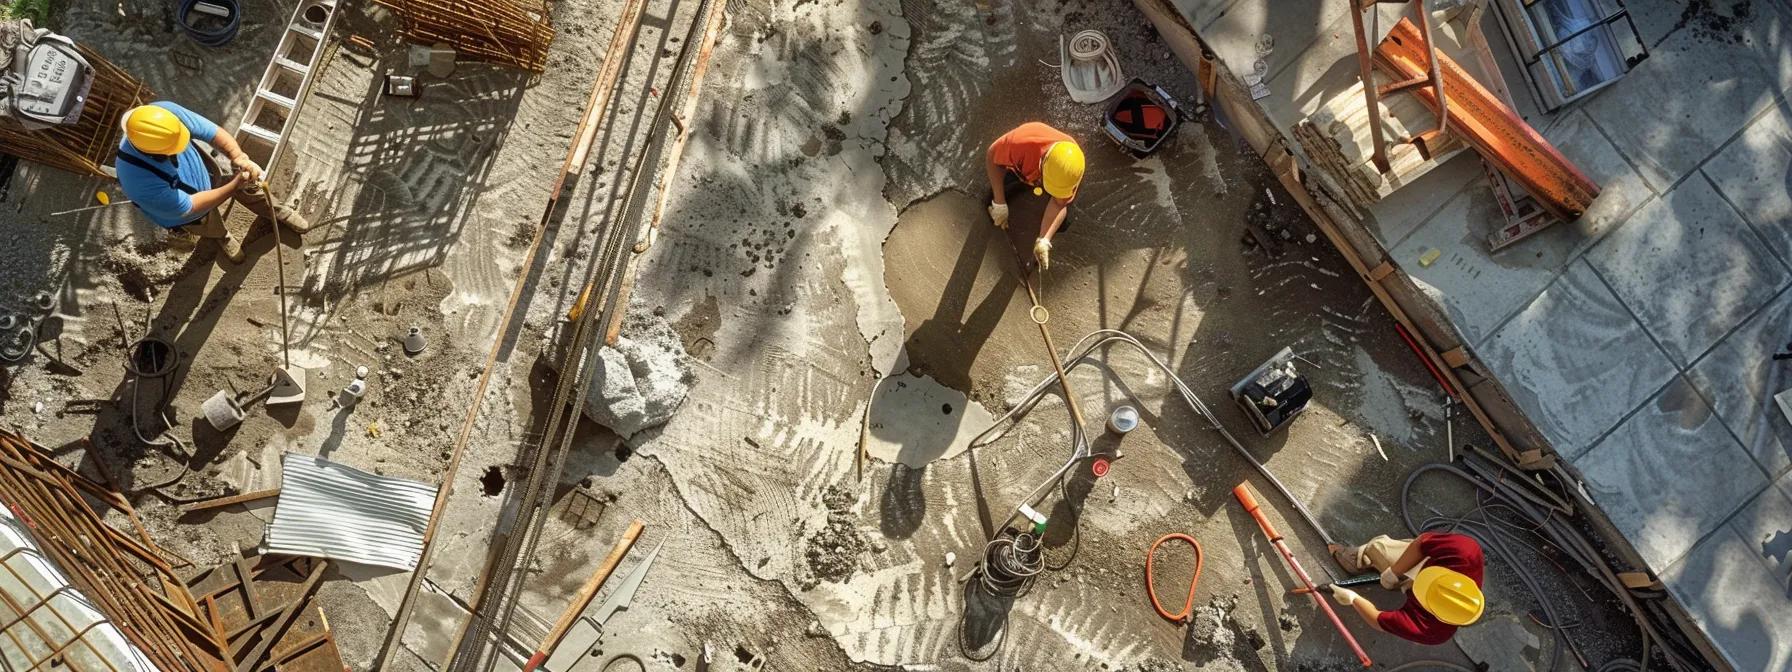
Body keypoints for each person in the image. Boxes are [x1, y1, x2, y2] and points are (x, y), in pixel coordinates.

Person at [114, 102, 310, 263]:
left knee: (250, 188)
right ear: (152, 152)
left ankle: (279, 212)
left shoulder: (164, 116)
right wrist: (233, 186)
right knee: (207, 222)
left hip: (208, 174)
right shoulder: (135, 179)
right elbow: (189, 206)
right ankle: (223, 236)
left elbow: (212, 132)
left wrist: (239, 157)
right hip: (187, 213)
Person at [1320, 531, 1486, 645]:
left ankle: (1391, 574)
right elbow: (1422, 543)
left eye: (1424, 592)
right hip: (1425, 561)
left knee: (1389, 562)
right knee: (1378, 548)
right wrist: (1394, 572)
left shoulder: (1432, 631)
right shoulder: (1466, 553)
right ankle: (1361, 559)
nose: (1421, 585)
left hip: (1432, 569)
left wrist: (1352, 598)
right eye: (1428, 582)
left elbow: (1377, 620)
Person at [983, 122, 1084, 270]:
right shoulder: (1020, 143)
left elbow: (1059, 203)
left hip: (1042, 173)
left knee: (1062, 224)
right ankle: (1002, 200)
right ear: (1042, 163)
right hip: (1022, 170)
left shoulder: (1071, 172)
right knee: (991, 198)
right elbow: (992, 156)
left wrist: (1044, 240)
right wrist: (999, 202)